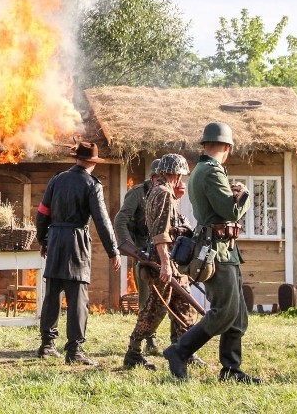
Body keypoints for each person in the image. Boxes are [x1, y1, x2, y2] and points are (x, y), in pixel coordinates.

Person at [163, 122, 258, 383]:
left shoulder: (203, 170)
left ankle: (231, 370)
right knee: (224, 311)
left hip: (225, 250)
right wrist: (244, 194)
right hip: (217, 251)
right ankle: (179, 351)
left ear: (205, 145)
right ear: (226, 147)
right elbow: (231, 211)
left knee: (237, 314)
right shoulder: (211, 172)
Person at [35, 141, 121, 366]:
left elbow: (42, 213)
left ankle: (46, 345)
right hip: (76, 242)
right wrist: (113, 251)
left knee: (52, 294)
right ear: (93, 162)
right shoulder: (92, 184)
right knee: (77, 297)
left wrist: (43, 240)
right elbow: (102, 220)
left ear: (76, 158)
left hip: (54, 239)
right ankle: (74, 350)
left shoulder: (57, 180)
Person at [122, 154, 201, 371]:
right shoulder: (163, 194)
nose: (182, 180)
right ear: (174, 174)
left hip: (172, 259)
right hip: (164, 258)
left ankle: (185, 350)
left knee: (184, 305)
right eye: (180, 175)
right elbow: (160, 232)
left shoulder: (162, 193)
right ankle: (134, 352)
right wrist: (165, 263)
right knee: (155, 308)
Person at [113, 158, 162, 355]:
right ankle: (145, 342)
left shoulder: (166, 195)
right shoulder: (138, 194)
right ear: (153, 177)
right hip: (144, 254)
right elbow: (120, 220)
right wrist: (131, 248)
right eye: (161, 177)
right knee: (146, 300)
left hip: (162, 253)